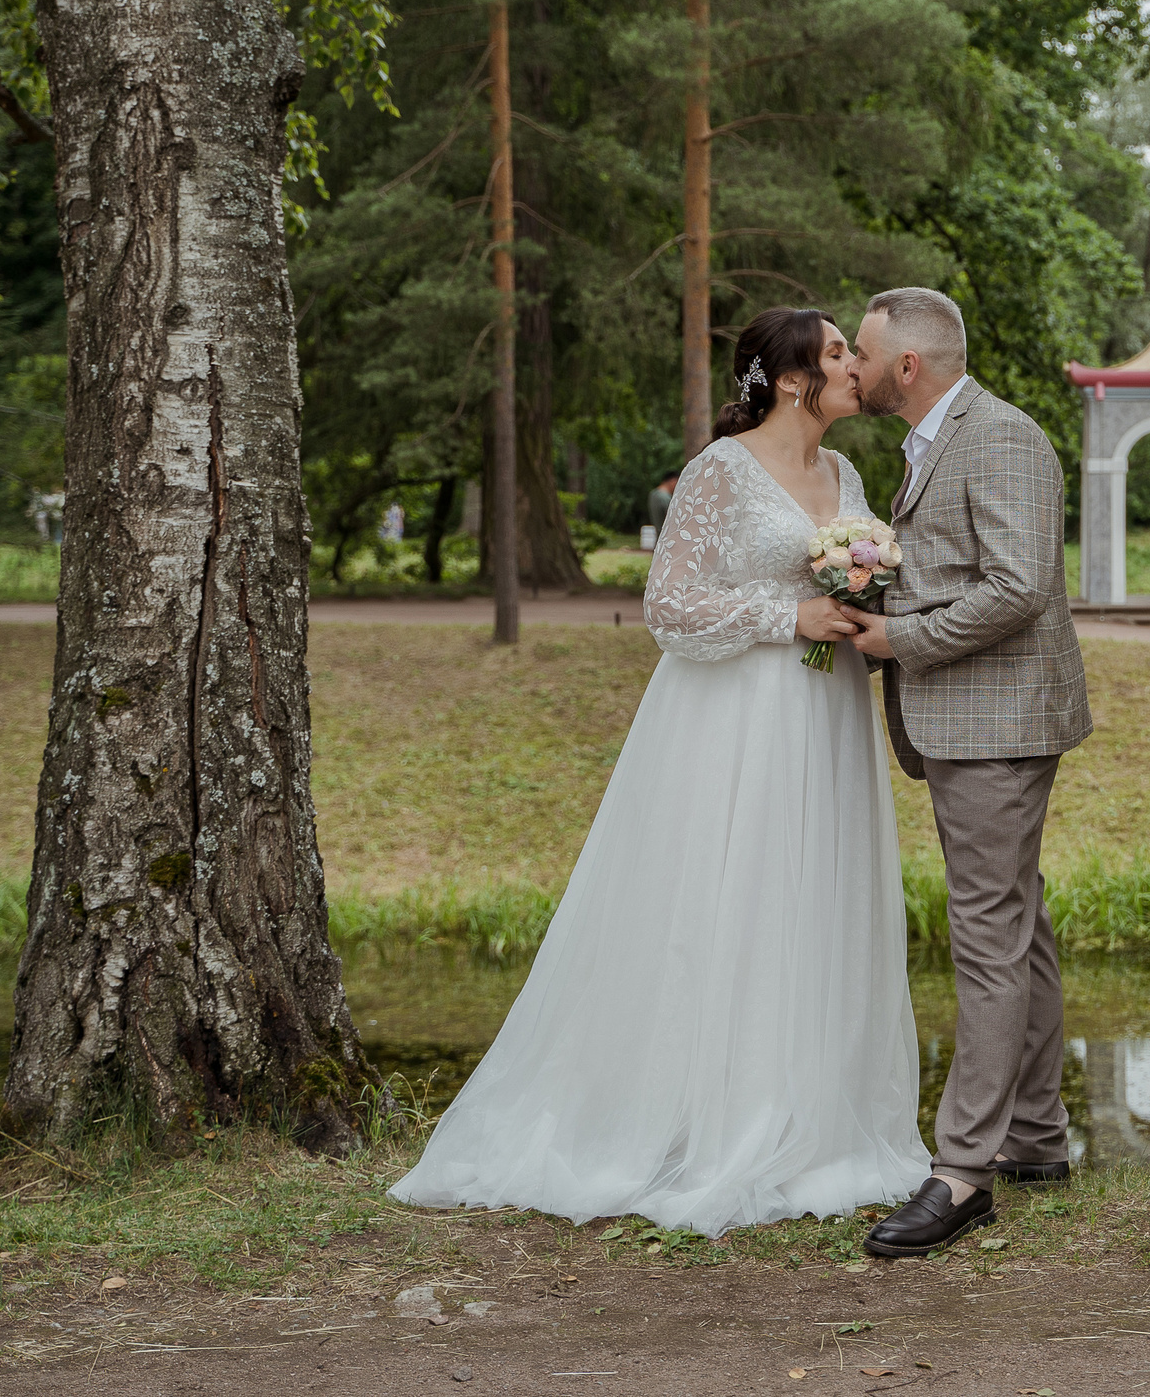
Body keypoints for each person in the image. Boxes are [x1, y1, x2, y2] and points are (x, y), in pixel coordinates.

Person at [388, 307, 928, 1234]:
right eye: (838, 351)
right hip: (738, 722)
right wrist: (785, 615)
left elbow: (850, 579)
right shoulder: (719, 471)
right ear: (795, 375)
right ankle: (708, 1121)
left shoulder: (846, 473)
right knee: (734, 900)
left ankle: (813, 1120)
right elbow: (669, 606)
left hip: (825, 715)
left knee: (813, 898)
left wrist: (858, 595)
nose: (855, 366)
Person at [847, 286, 1093, 1258]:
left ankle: (962, 1177)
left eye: (862, 355)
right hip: (976, 720)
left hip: (994, 724)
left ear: (907, 367)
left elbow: (1019, 585)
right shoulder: (937, 441)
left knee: (986, 936)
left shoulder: (999, 437)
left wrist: (896, 635)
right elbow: (961, 564)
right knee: (1017, 923)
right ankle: (1035, 1136)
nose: (854, 370)